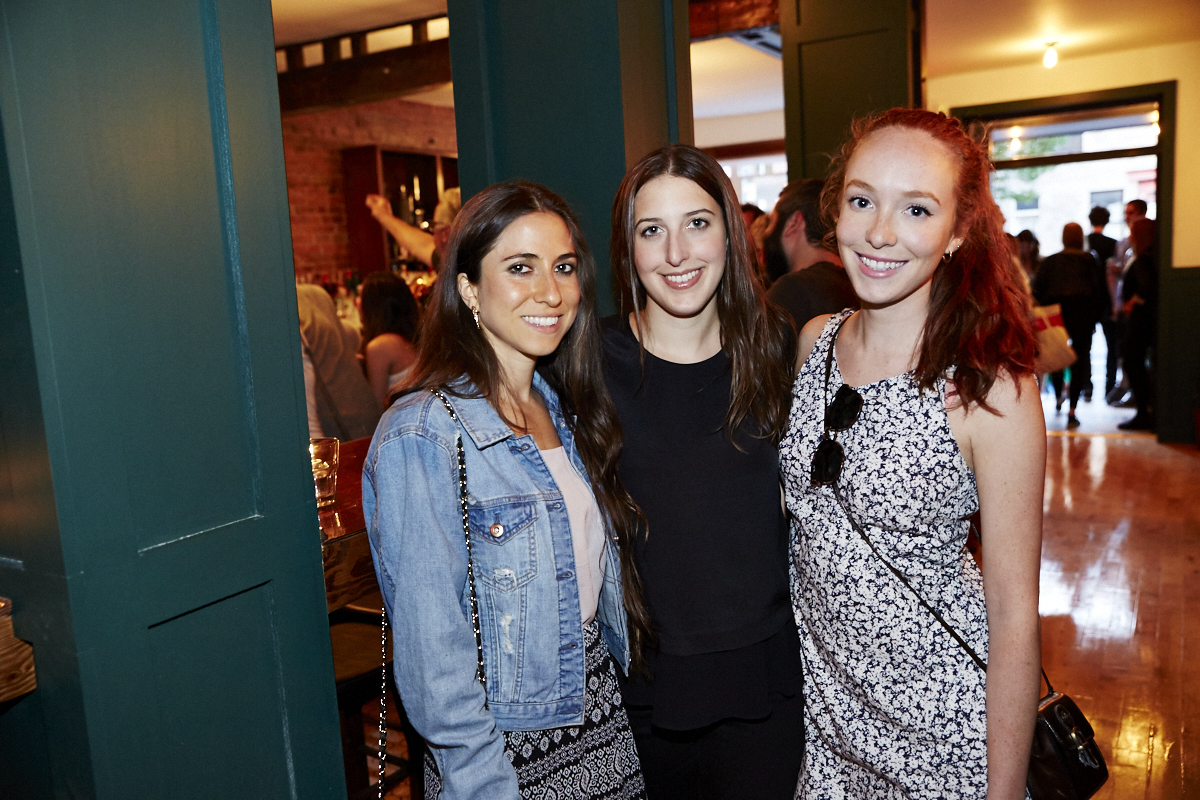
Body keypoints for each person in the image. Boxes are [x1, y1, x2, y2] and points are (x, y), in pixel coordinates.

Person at [782, 109, 1042, 799]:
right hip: (829, 738)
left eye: (916, 209)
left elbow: (1014, 615)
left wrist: (1003, 793)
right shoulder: (813, 343)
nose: (880, 233)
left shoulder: (990, 390)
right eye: (862, 201)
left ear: (958, 232)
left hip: (948, 744)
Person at [364, 181, 647, 799]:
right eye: (520, 267)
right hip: (502, 749)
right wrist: (482, 780)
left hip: (601, 720)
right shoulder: (423, 432)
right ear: (468, 288)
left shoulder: (559, 405)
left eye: (563, 267)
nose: (551, 292)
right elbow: (434, 661)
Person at [604, 144, 804, 798]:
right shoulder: (589, 361)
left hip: (765, 681)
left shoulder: (778, 346)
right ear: (628, 248)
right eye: (650, 230)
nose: (676, 253)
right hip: (642, 687)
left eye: (696, 223)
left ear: (730, 232)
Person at [1032, 222, 1109, 427]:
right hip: (1083, 314)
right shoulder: (1090, 260)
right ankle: (1073, 409)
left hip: (1056, 313)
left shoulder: (1051, 261)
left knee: (1057, 352)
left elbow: (1037, 289)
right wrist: (1096, 318)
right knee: (1080, 359)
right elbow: (1099, 291)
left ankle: (1058, 397)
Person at [763, 178, 860, 330]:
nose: (765, 232)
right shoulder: (855, 285)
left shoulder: (790, 292)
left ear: (794, 222)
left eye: (770, 222)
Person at [297, 283, 381, 440]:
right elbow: (352, 334)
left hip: (337, 434)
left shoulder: (291, 310)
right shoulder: (317, 294)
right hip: (369, 422)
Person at [1117, 217, 1158, 431]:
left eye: (1133, 232)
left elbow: (1145, 286)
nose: (1130, 237)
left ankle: (1143, 412)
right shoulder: (1149, 256)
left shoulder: (1143, 258)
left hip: (1140, 321)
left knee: (1133, 362)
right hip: (1144, 320)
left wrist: (1132, 302)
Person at [358, 271, 421, 406]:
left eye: (361, 297)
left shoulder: (381, 346)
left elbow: (378, 407)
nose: (357, 303)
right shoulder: (416, 337)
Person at [1087, 206, 1121, 399]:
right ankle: (1109, 385)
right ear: (1107, 221)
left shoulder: (1085, 243)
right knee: (1111, 346)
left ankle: (1087, 386)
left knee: (1085, 346)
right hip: (1108, 301)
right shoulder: (1113, 244)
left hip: (1089, 301)